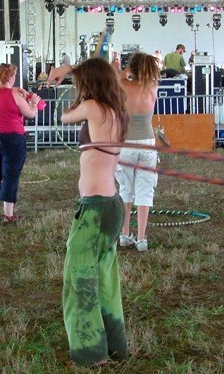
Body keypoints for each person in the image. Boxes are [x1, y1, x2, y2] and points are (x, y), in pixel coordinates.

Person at [46, 58, 129, 367]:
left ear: (88, 84)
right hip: (111, 205)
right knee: (106, 279)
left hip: (95, 210)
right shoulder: (116, 110)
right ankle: (115, 347)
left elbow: (64, 116)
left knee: (79, 280)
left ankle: (91, 351)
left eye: (81, 83)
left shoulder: (93, 107)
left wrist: (65, 73)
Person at [0, 64, 40, 224]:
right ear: (10, 77)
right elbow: (30, 114)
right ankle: (8, 215)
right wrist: (33, 102)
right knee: (10, 175)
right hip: (12, 138)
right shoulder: (14, 93)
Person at [112, 52, 159, 252]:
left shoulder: (124, 85)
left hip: (125, 144)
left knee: (125, 190)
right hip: (147, 143)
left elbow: (117, 77)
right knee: (144, 191)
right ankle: (141, 238)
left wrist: (119, 67)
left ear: (133, 69)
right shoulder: (153, 87)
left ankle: (124, 235)